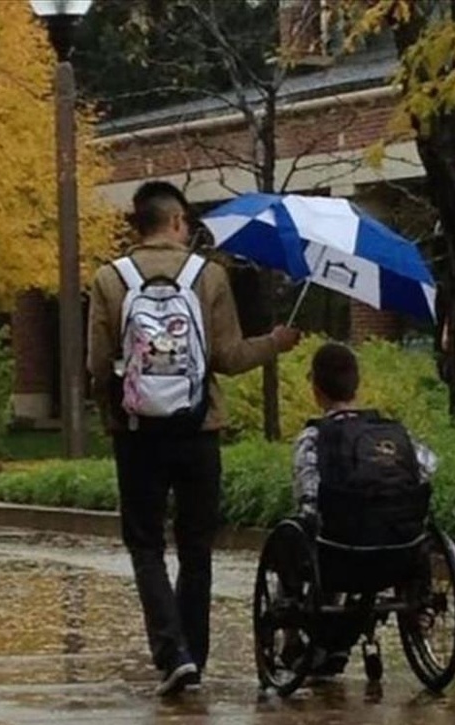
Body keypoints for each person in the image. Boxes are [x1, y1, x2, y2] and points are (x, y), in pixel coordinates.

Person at [88, 180, 299, 697]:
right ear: (178, 221)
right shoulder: (209, 276)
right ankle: (195, 657)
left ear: (139, 223)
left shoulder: (109, 279)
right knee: (196, 545)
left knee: (144, 544)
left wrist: (113, 414)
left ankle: (171, 653)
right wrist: (275, 342)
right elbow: (227, 358)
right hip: (199, 428)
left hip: (137, 432)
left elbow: (97, 365)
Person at [290, 342, 438, 675]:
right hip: (402, 550)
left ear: (315, 389)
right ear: (357, 384)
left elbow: (308, 496)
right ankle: (413, 612)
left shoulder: (314, 438)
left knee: (298, 534)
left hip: (340, 556)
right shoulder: (393, 432)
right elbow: (427, 467)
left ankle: (300, 640)